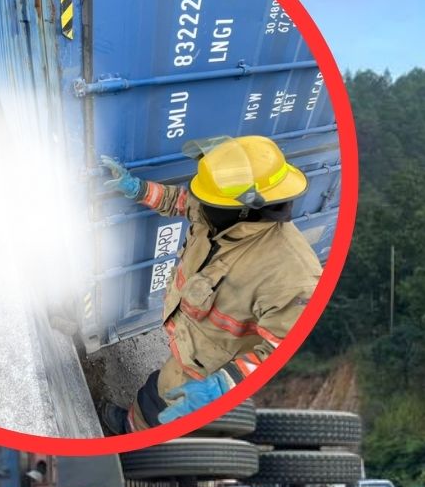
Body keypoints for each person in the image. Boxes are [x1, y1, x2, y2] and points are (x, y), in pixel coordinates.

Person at [98, 136, 321, 433]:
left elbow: (284, 349)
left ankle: (129, 433)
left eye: (207, 199)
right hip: (190, 341)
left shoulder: (293, 274)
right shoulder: (221, 214)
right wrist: (137, 188)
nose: (198, 202)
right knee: (161, 391)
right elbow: (178, 202)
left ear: (247, 207)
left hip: (210, 369)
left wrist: (225, 384)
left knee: (160, 404)